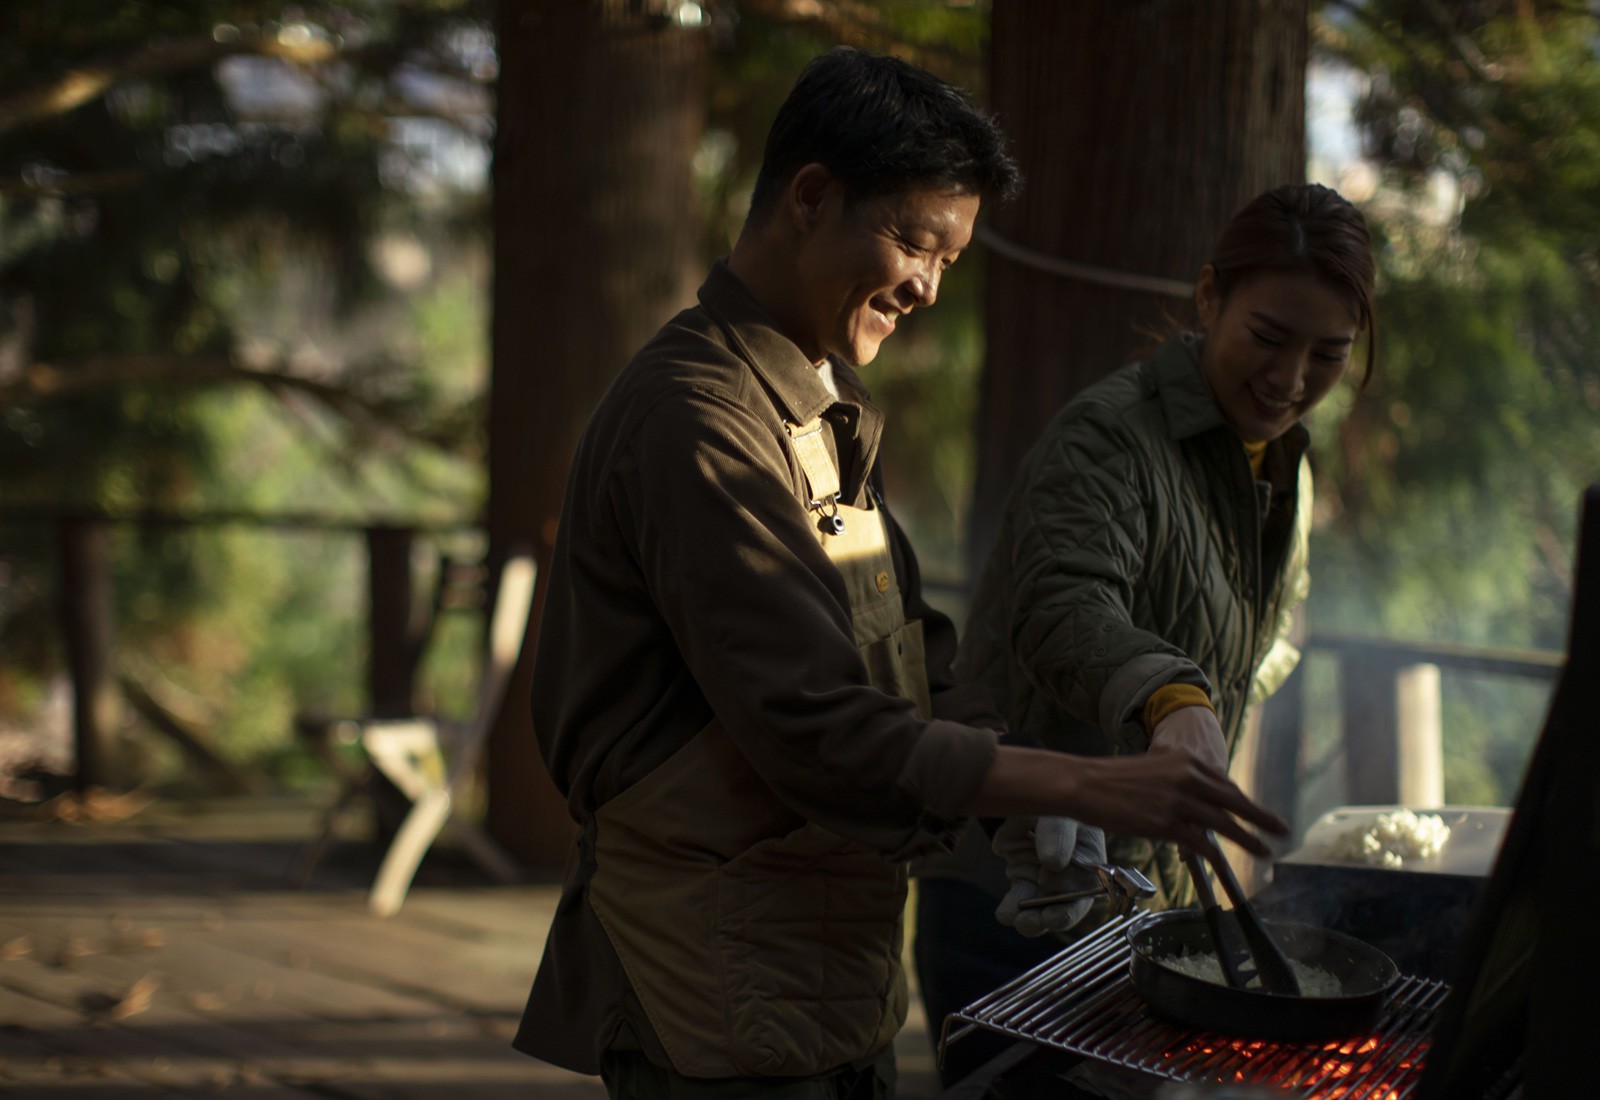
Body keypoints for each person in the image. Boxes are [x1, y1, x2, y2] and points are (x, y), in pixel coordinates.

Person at [513, 47, 1289, 1099]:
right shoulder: (696, 418)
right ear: (811, 197)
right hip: (704, 984)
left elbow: (916, 658)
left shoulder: (821, 412)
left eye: (950, 260)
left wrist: (1021, 810)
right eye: (913, 243)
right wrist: (1089, 780)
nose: (926, 286)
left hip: (823, 969)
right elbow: (815, 724)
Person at [913, 182, 1378, 1089]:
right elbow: (1065, 604)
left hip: (1137, 900)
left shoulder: (1283, 461)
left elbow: (1267, 623)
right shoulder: (1110, 437)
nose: (1291, 380)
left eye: (1329, 355)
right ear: (1210, 298)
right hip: (1019, 891)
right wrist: (1176, 697)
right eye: (1270, 338)